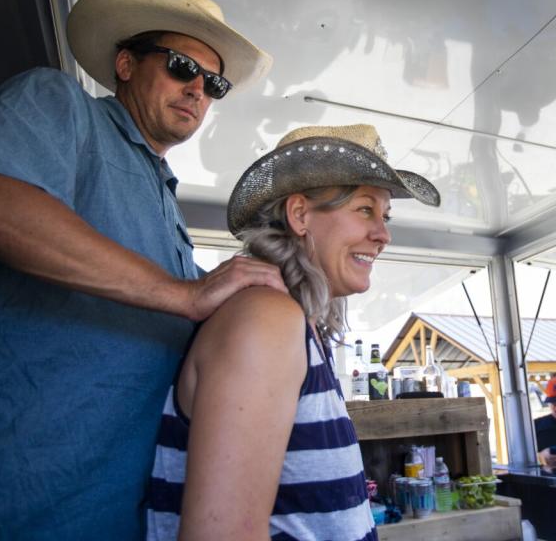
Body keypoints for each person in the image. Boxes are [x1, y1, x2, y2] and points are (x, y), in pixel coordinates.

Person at [0, 0, 287, 539]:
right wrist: (185, 294)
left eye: (214, 83)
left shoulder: (167, 204)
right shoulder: (59, 103)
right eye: (182, 66)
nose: (198, 91)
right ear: (125, 63)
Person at [146, 124, 440, 540]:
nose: (383, 234)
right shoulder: (265, 319)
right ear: (300, 214)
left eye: (385, 216)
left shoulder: (296, 327)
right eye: (364, 209)